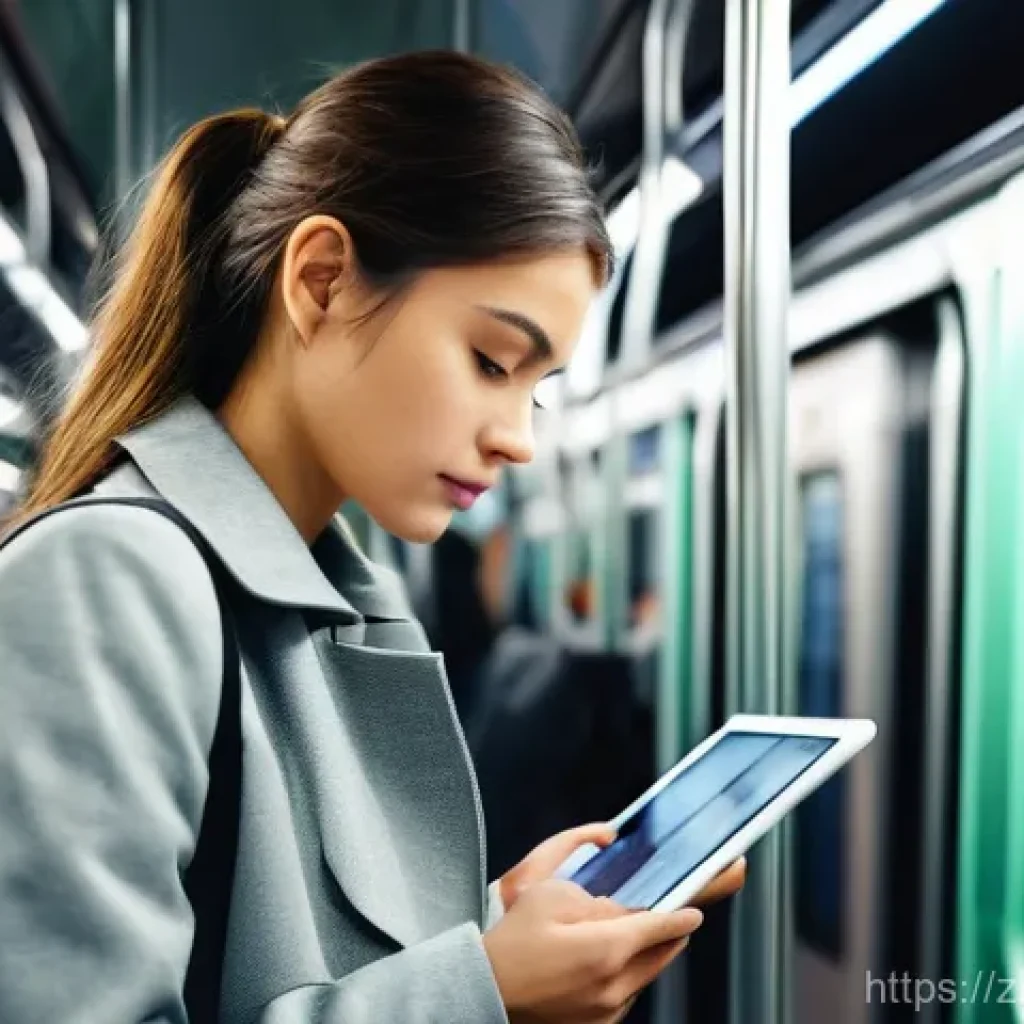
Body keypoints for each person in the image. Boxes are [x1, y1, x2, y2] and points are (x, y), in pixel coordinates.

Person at [0, 52, 744, 1024]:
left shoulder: (328, 599)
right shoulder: (106, 579)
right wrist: (482, 994)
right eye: (490, 359)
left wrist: (494, 923)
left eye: (535, 387)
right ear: (320, 282)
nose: (517, 436)